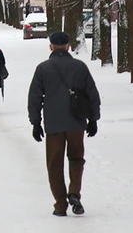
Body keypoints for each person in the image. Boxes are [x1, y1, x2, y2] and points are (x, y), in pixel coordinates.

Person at [27, 31, 100, 218]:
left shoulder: (43, 68)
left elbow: (34, 98)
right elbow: (92, 95)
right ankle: (74, 191)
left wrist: (36, 123)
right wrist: (93, 119)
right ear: (68, 46)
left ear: (51, 47)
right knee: (76, 158)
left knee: (54, 164)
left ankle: (60, 204)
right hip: (77, 122)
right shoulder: (80, 67)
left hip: (54, 124)